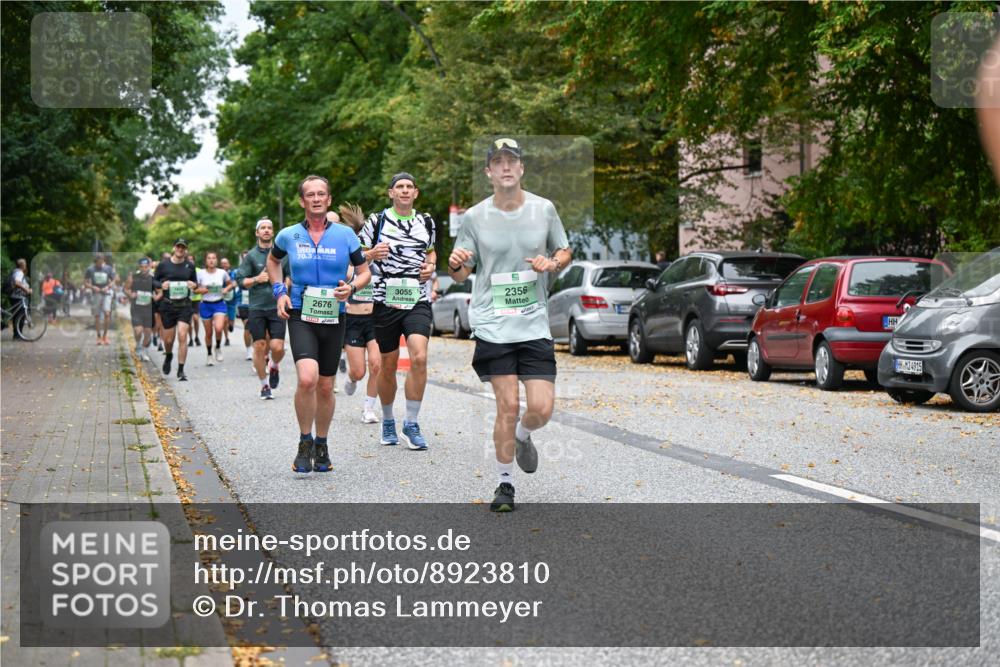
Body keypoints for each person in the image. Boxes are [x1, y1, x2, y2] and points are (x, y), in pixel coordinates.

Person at [448, 138, 572, 512]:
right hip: (492, 324)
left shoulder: (544, 209)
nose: (505, 167)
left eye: (511, 161)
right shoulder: (474, 217)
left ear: (521, 169)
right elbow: (460, 273)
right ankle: (504, 485)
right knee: (507, 405)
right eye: (497, 161)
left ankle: (523, 436)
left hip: (533, 323)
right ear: (488, 171)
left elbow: (564, 250)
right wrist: (456, 262)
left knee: (541, 408)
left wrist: (553, 264)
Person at [268, 175, 371, 473]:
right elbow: (273, 263)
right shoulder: (288, 235)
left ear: (328, 199)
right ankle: (304, 441)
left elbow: (364, 272)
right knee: (307, 379)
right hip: (300, 313)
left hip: (333, 314)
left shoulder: (345, 236)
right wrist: (280, 292)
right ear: (302, 201)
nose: (316, 199)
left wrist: (351, 288)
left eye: (321, 194)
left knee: (326, 387)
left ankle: (322, 444)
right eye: (310, 195)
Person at [358, 172, 436, 450]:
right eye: (399, 187)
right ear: (391, 193)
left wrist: (430, 267)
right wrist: (371, 254)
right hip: (385, 301)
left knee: (419, 356)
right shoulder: (376, 222)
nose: (404, 191)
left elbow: (431, 253)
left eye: (409, 187)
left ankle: (412, 423)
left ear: (416, 193)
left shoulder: (426, 221)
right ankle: (389, 419)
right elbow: (356, 255)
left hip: (417, 298)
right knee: (388, 366)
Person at [237, 218, 290, 400]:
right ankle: (264, 385)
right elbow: (241, 281)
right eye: (263, 228)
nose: (266, 230)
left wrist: (285, 287)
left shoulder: (283, 255)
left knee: (277, 346)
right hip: (257, 307)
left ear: (273, 232)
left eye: (269, 227)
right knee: (259, 346)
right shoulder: (251, 256)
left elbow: (290, 276)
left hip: (277, 305)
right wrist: (256, 279)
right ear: (257, 233)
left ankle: (274, 365)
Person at [339, 205, 381, 423]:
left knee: (377, 364)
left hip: (375, 319)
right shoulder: (347, 256)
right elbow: (347, 272)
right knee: (359, 372)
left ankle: (369, 409)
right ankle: (351, 377)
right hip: (353, 319)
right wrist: (366, 257)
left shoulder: (379, 258)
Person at [154, 239, 198, 381]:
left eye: (183, 247)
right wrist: (162, 284)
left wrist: (193, 285)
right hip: (168, 305)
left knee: (182, 335)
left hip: (184, 305)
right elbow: (153, 281)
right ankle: (168, 355)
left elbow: (195, 284)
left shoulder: (190, 266)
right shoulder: (163, 265)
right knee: (168, 340)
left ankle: (181, 370)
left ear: (186, 250)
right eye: (178, 247)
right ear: (174, 248)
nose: (180, 249)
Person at [196, 251, 233, 365]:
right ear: (206, 261)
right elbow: (195, 289)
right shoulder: (200, 274)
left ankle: (217, 347)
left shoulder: (222, 273)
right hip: (206, 304)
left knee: (218, 328)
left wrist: (226, 289)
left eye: (213, 258)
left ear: (216, 260)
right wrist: (203, 290)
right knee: (208, 333)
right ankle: (209, 354)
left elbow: (230, 284)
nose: (211, 260)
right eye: (209, 258)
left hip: (219, 303)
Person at [124, 257, 157, 361]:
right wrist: (130, 294)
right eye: (142, 267)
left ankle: (144, 350)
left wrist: (155, 297)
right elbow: (126, 289)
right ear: (139, 267)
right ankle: (138, 344)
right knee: (138, 331)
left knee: (147, 332)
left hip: (149, 309)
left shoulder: (154, 278)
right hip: (136, 308)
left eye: (146, 267)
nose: (144, 269)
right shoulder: (133, 277)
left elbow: (159, 291)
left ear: (149, 266)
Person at [84, 254, 116, 345]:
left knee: (107, 313)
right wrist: (93, 287)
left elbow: (114, 280)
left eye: (102, 262)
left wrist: (108, 286)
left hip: (106, 293)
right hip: (96, 294)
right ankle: (98, 336)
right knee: (97, 315)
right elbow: (85, 282)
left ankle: (105, 336)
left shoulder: (108, 268)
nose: (100, 264)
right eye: (98, 263)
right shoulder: (90, 269)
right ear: (95, 262)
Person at [7, 259, 32, 340]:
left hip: (14, 296)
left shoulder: (15, 271)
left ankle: (16, 335)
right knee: (20, 316)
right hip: (18, 297)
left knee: (16, 316)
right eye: (25, 264)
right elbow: (17, 283)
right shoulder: (19, 272)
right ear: (23, 266)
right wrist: (27, 290)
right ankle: (18, 335)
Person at [220, 257, 236, 346]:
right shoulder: (218, 273)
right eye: (222, 263)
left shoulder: (233, 273)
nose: (224, 265)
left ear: (229, 264)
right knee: (224, 320)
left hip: (231, 299)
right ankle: (226, 338)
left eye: (225, 263)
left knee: (231, 319)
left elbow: (236, 283)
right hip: (221, 299)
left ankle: (231, 325)